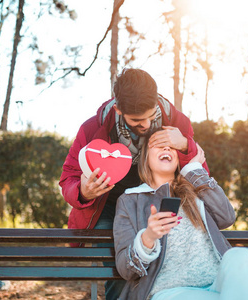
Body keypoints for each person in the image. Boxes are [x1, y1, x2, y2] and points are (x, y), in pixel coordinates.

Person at [59, 68, 209, 299]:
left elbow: (199, 173)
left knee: (165, 267)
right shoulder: (92, 129)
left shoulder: (177, 121)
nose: (147, 125)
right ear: (119, 110)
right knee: (121, 271)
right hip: (106, 208)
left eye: (151, 116)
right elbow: (68, 176)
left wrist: (185, 145)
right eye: (137, 120)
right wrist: (83, 192)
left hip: (159, 203)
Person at [113, 139, 248, 300]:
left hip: (218, 284)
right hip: (171, 292)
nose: (166, 147)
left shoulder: (195, 191)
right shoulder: (130, 200)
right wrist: (148, 237)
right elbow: (125, 269)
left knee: (242, 256)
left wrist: (194, 169)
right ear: (145, 157)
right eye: (158, 144)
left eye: (172, 146)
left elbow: (226, 216)